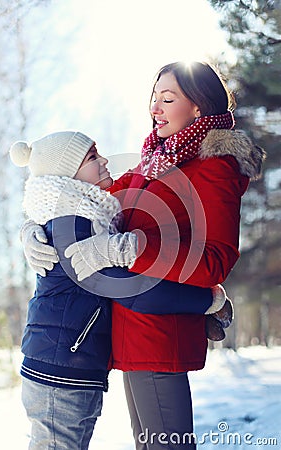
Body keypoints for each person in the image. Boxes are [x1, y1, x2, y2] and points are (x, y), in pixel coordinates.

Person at [20, 61, 266, 449]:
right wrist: (36, 228)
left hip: (159, 333)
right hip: (127, 332)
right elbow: (81, 198)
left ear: (199, 107)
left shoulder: (212, 168)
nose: (155, 108)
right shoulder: (150, 164)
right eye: (154, 98)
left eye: (168, 99)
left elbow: (216, 260)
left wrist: (131, 248)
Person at [11, 129, 232, 450]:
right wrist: (207, 300)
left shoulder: (87, 218)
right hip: (59, 371)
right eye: (91, 158)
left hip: (71, 368)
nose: (103, 161)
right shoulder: (76, 225)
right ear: (68, 176)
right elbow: (135, 292)